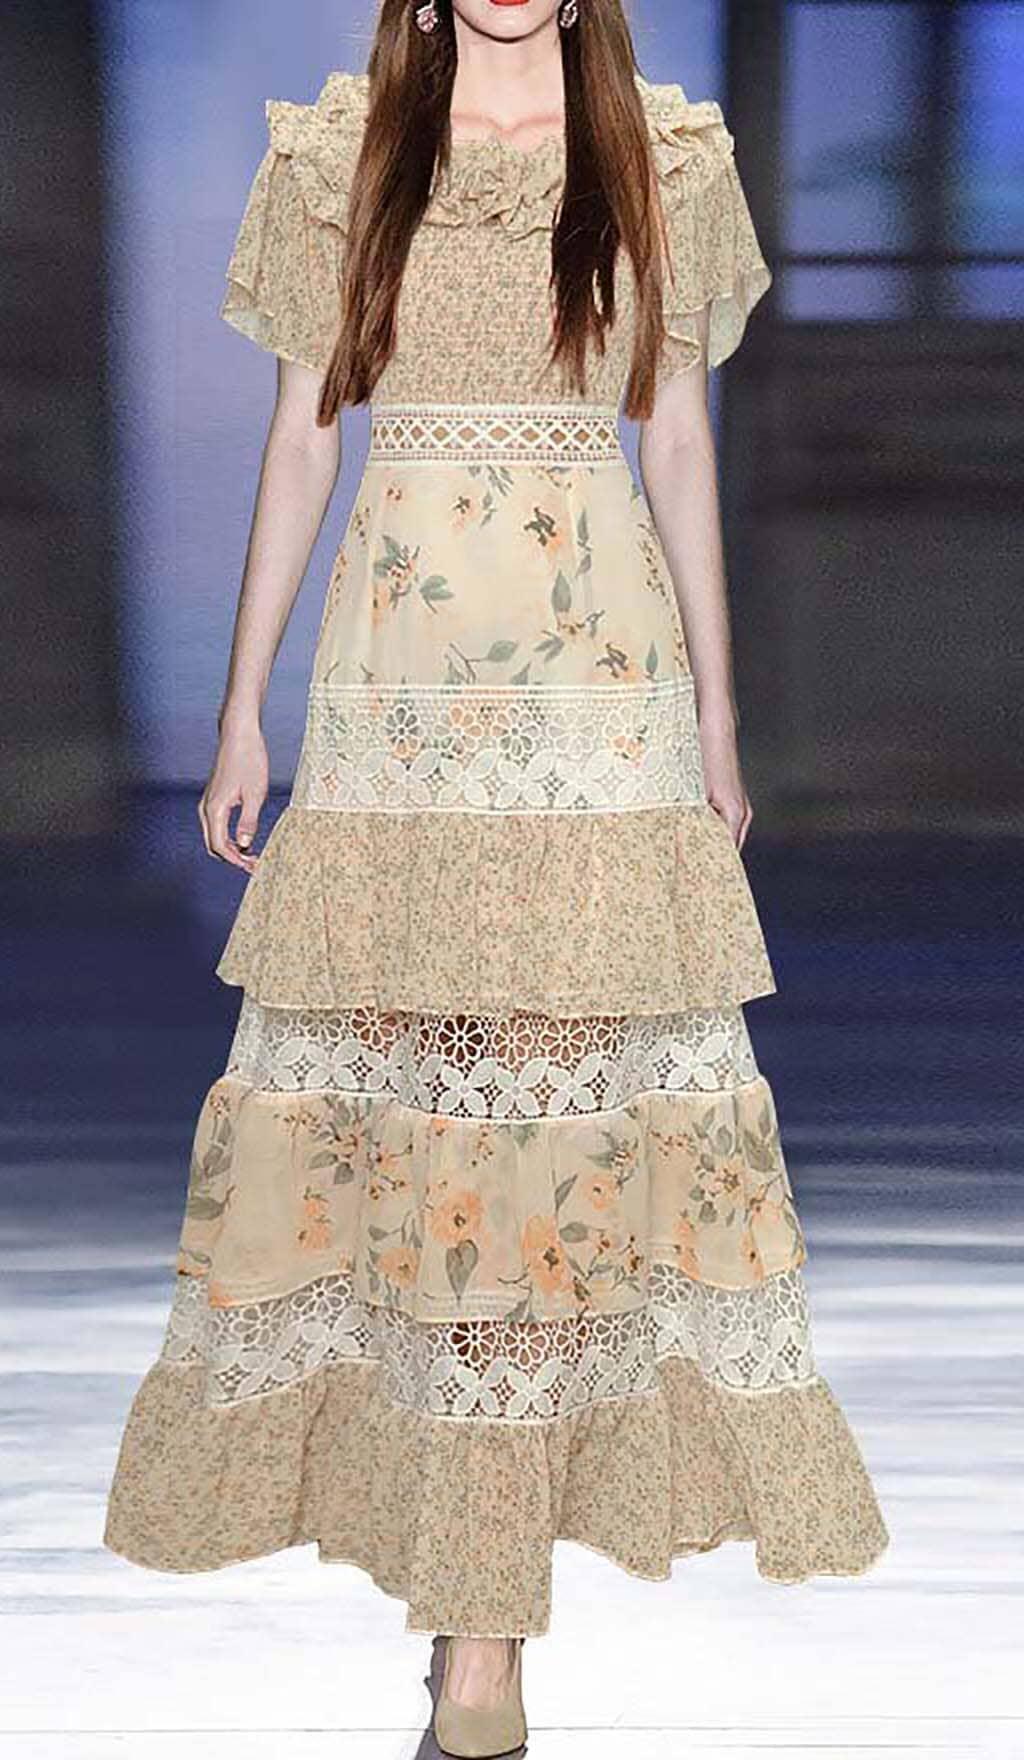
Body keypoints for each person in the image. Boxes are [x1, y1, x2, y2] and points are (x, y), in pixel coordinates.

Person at [103, 2, 890, 1754]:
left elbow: (675, 438)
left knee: (559, 1120)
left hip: (602, 693)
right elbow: (304, 436)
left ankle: (487, 1636)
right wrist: (238, 713)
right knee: (429, 1118)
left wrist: (718, 719)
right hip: (398, 699)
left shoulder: (665, 155)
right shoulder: (341, 152)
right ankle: (472, 1610)